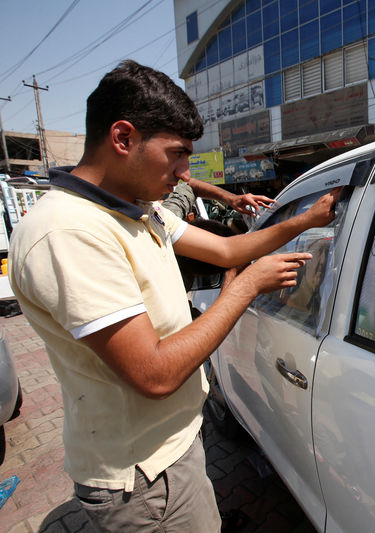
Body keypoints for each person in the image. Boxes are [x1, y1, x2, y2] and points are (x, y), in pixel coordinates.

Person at [7, 60, 338, 532]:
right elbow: (155, 373)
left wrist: (304, 221)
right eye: (177, 154)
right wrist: (245, 286)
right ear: (122, 138)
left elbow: (225, 248)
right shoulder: (69, 232)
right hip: (142, 478)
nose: (186, 174)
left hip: (168, 448)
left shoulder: (142, 210)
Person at [161, 177, 274, 222]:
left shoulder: (164, 218)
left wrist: (232, 198)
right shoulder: (162, 223)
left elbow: (190, 185)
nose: (183, 174)